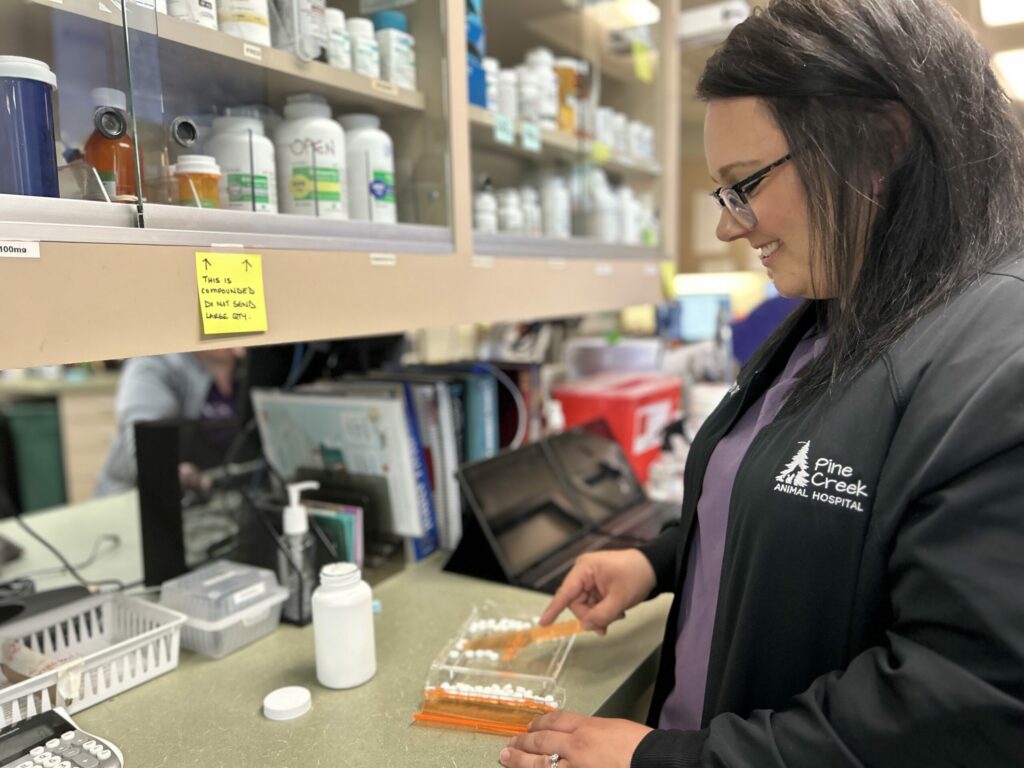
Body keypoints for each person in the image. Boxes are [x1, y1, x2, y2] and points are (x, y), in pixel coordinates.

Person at [499, 1, 1024, 766]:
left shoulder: (999, 356)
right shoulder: (841, 306)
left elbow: (961, 706)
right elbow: (800, 499)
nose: (728, 225)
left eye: (744, 183)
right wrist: (659, 561)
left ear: (881, 142)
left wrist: (663, 762)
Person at [94, 349, 245, 496]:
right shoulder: (154, 366)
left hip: (231, 497)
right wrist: (175, 474)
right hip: (142, 503)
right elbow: (148, 453)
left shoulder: (249, 369)